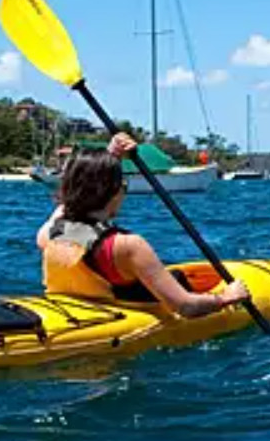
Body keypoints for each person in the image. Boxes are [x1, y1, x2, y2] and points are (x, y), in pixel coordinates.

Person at [35, 133, 250, 315]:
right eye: (123, 185)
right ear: (115, 192)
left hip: (71, 308)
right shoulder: (127, 246)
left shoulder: (49, 234)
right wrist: (225, 298)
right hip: (125, 312)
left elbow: (71, 203)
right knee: (179, 280)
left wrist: (111, 158)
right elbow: (184, 306)